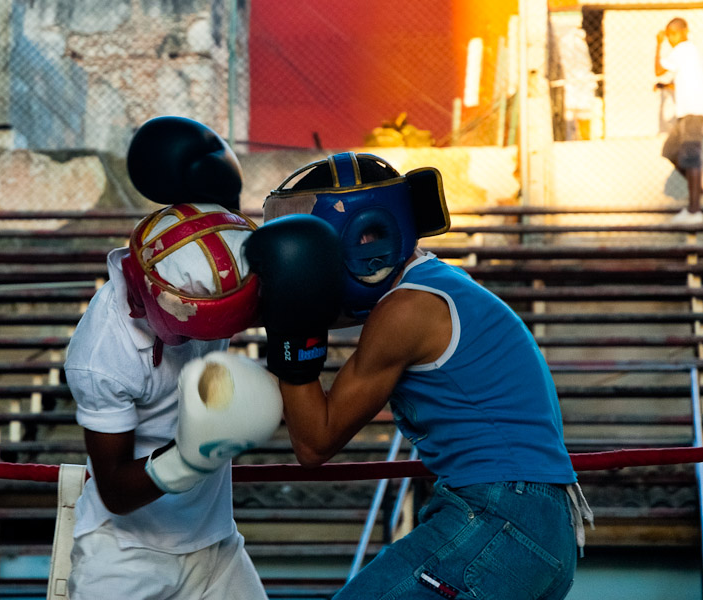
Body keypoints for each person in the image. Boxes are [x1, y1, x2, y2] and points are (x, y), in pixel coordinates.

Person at [245, 152, 593, 600]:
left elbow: (314, 443)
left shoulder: (405, 311)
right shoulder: (437, 286)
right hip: (537, 525)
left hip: (502, 517)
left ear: (366, 236)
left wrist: (290, 325)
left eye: (314, 250)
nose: (310, 266)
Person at [63, 116, 281, 600]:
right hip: (125, 554)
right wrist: (191, 454)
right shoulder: (104, 351)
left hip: (218, 546)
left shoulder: (221, 263)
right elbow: (116, 492)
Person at [655, 17, 703, 224]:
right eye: (667, 35)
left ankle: (694, 210)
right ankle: (699, 191)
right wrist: (664, 87)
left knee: (691, 157)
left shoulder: (683, 49)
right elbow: (681, 81)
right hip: (687, 111)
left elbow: (659, 70)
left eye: (672, 34)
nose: (670, 39)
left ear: (682, 32)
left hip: (693, 112)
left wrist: (658, 43)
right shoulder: (688, 54)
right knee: (670, 150)